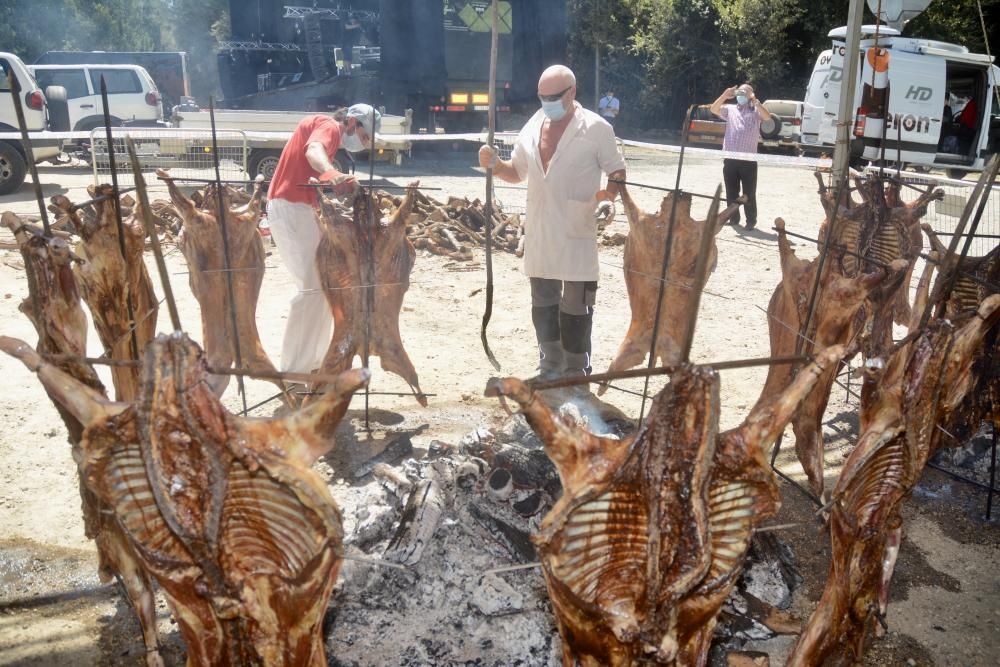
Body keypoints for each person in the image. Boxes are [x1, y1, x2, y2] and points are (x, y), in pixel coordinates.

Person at [478, 65, 626, 382]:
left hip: (576, 228)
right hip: (541, 230)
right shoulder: (533, 126)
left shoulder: (597, 128)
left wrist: (607, 199)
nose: (546, 102)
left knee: (576, 306)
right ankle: (549, 365)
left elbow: (617, 173)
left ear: (571, 93)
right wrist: (493, 165)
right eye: (542, 97)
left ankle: (576, 370)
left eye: (553, 97)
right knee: (543, 302)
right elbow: (515, 173)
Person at [266, 104, 380, 374]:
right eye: (364, 137)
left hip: (297, 208)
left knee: (322, 288)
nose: (362, 143)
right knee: (312, 289)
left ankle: (314, 363)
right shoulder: (329, 126)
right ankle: (295, 370)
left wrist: (331, 181)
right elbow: (313, 151)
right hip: (291, 207)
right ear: (352, 122)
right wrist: (334, 175)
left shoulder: (327, 133)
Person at [710, 83, 771, 229]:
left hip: (748, 160)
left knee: (749, 192)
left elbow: (767, 117)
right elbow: (714, 109)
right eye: (739, 93)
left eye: (744, 93)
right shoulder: (730, 110)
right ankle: (733, 218)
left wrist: (755, 100)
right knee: (731, 191)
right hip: (730, 158)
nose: (741, 95)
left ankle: (750, 221)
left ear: (751, 94)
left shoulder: (756, 110)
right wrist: (725, 95)